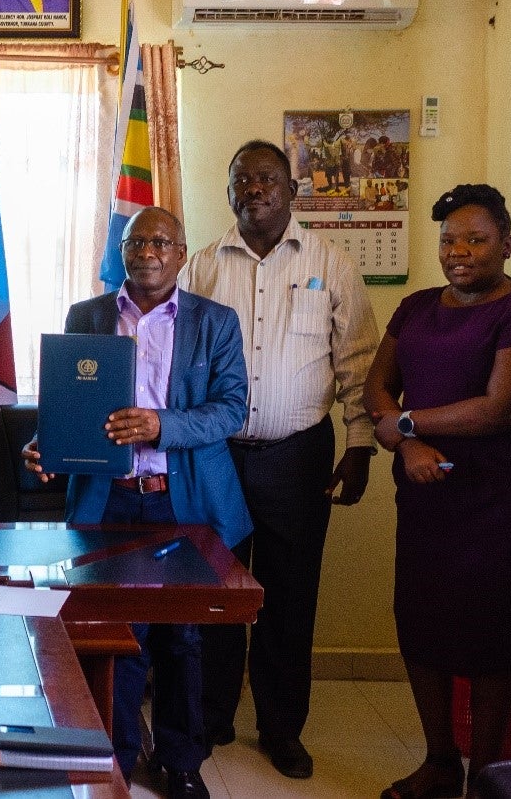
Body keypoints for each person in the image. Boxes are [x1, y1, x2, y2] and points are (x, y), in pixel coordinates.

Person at [22, 207, 250, 799]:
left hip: (184, 502)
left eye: (161, 242)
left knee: (181, 638)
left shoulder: (214, 322)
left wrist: (160, 425)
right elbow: (67, 405)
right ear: (121, 252)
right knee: (113, 634)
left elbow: (231, 409)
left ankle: (180, 761)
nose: (147, 251)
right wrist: (45, 445)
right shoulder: (88, 316)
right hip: (110, 503)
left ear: (181, 252)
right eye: (135, 241)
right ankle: (117, 757)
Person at [179, 140, 379, 779]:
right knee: (215, 593)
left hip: (298, 456)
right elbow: (174, 362)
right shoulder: (201, 268)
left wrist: (361, 447)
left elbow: (355, 363)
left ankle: (281, 729)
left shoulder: (334, 266)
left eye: (268, 179)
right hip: (214, 456)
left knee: (289, 597)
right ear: (229, 191)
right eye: (243, 179)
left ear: (292, 191)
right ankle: (211, 718)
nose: (255, 189)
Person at [363, 185, 511, 799]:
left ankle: (485, 778)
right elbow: (377, 390)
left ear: (507, 243)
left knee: (490, 642)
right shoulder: (417, 308)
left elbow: (504, 408)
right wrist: (408, 444)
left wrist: (411, 423)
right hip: (425, 500)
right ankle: (440, 763)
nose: (460, 252)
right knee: (420, 630)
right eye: (449, 239)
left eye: (476, 239)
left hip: (500, 505)